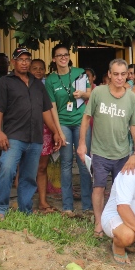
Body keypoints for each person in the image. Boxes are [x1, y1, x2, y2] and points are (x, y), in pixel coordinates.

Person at [0, 48, 64, 219]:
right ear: (13, 62)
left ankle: (25, 210)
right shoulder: (4, 83)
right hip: (13, 137)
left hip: (35, 138)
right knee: (7, 170)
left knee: (29, 176)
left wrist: (55, 132)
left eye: (27, 59)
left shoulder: (37, 84)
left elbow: (46, 111)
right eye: (20, 59)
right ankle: (0, 210)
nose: (24, 62)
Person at [77, 58, 135, 238]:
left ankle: (116, 222)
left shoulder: (131, 97)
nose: (120, 78)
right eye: (116, 74)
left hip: (122, 153)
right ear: (109, 74)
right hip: (100, 152)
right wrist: (82, 143)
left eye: (123, 74)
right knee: (98, 187)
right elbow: (86, 117)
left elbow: (134, 124)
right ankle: (98, 222)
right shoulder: (98, 92)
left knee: (120, 190)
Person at [44, 44, 92, 216]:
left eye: (65, 55)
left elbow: (90, 94)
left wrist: (83, 95)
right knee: (65, 164)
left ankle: (87, 206)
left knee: (83, 162)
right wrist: (58, 131)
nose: (63, 58)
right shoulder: (50, 80)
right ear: (54, 59)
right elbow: (53, 108)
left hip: (81, 121)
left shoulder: (79, 72)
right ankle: (67, 206)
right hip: (63, 122)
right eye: (59, 55)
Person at [29, 59, 59, 213]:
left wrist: (55, 131)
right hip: (26, 131)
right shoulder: (23, 84)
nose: (38, 71)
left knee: (42, 167)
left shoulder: (46, 86)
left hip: (45, 130)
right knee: (27, 167)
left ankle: (42, 201)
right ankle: (25, 202)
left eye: (41, 68)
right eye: (34, 68)